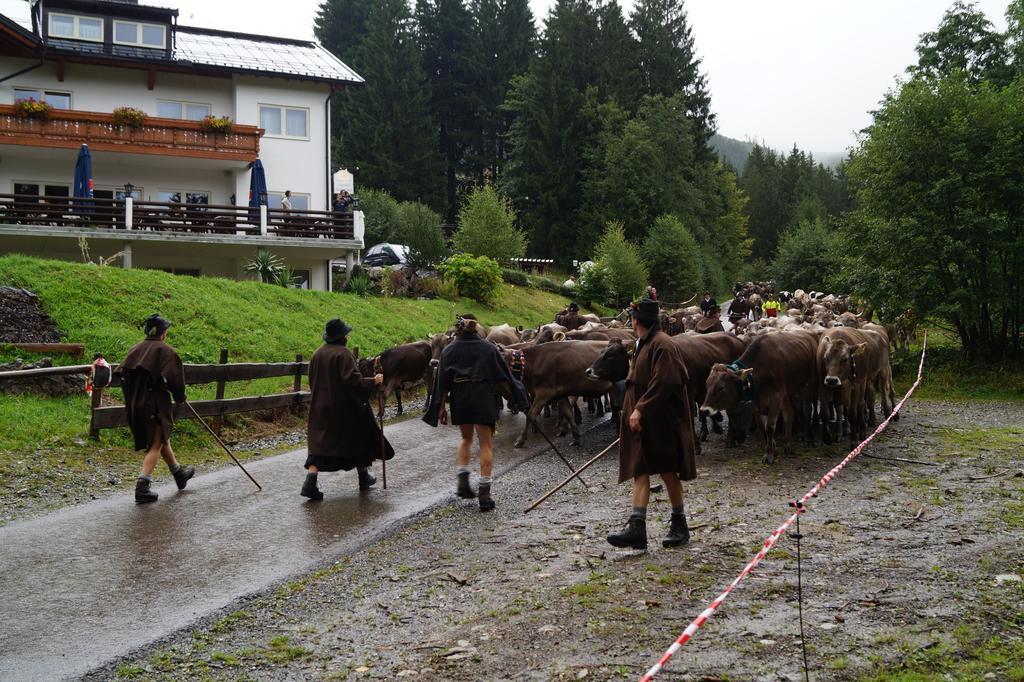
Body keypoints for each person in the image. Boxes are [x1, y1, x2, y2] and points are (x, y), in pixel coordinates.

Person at [607, 299, 697, 550]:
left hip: (662, 422)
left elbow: (666, 382)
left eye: (632, 317)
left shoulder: (663, 345)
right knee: (640, 470)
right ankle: (637, 528)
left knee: (668, 471)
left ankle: (680, 525)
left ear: (636, 320)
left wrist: (640, 409)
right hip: (644, 423)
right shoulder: (644, 343)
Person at [423, 315, 529, 511]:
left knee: (466, 438)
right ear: (477, 330)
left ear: (457, 330)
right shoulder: (488, 348)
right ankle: (485, 495)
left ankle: (463, 479)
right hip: (483, 396)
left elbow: (442, 381)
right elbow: (503, 376)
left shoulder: (449, 350)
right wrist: (519, 399)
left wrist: (440, 408)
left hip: (460, 397)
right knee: (486, 444)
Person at [302, 318, 393, 500]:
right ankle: (363, 476)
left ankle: (310, 482)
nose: (347, 337)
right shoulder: (343, 354)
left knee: (320, 445)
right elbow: (352, 380)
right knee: (360, 438)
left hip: (320, 408)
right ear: (342, 336)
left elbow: (312, 380)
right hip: (344, 409)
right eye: (346, 334)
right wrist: (373, 381)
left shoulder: (317, 354)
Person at [120, 314, 195, 505]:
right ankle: (142, 487)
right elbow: (176, 381)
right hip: (154, 405)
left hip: (136, 403)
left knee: (161, 439)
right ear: (163, 333)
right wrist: (179, 396)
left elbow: (121, 374)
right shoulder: (164, 351)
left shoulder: (135, 350)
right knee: (156, 444)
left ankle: (179, 474)